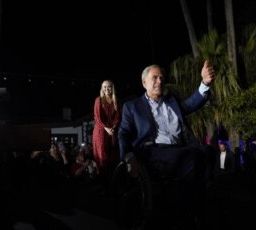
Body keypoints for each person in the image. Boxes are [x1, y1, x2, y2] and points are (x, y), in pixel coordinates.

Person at [118, 60, 215, 225]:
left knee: (208, 152)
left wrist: (204, 83)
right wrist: (129, 157)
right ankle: (186, 208)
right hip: (152, 151)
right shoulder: (132, 106)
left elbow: (190, 104)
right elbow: (123, 134)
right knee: (191, 158)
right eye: (155, 78)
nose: (159, 81)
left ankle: (192, 200)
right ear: (144, 83)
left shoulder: (172, 101)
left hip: (179, 148)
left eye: (161, 78)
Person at [92, 80, 121, 178]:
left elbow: (118, 117)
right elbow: (97, 117)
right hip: (101, 130)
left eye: (108, 87)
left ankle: (113, 179)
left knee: (113, 154)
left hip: (112, 130)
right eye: (104, 87)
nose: (106, 89)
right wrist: (106, 128)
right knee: (102, 155)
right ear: (102, 88)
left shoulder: (116, 100)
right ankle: (102, 179)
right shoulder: (98, 100)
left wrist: (113, 127)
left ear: (112, 88)